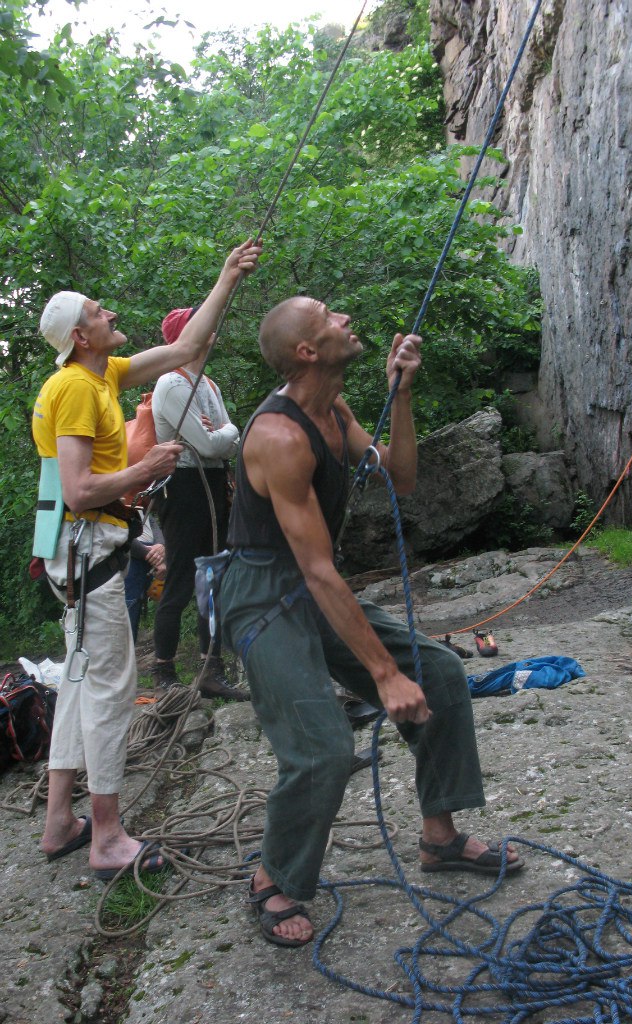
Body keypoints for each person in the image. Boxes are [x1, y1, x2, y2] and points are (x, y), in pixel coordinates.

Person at [219, 297, 523, 948]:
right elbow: (320, 571)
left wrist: (402, 393)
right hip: (262, 590)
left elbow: (402, 478)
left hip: (308, 580)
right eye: (328, 318)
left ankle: (439, 839)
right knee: (325, 747)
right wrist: (381, 675)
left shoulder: (335, 411)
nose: (346, 320)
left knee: (438, 672)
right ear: (307, 351)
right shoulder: (279, 436)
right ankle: (272, 878)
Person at [32, 238, 262, 878]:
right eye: (100, 313)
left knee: (80, 684)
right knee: (109, 689)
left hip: (79, 555)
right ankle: (107, 838)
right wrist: (147, 466)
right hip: (93, 552)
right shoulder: (76, 388)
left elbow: (187, 349)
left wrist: (227, 276)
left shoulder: (100, 376)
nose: (111, 317)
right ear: (81, 335)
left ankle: (60, 823)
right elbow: (78, 490)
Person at [150, 306, 246, 701]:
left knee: (212, 578)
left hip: (209, 481)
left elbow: (229, 436)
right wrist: (224, 434)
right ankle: (163, 673)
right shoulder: (172, 385)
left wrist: (225, 432)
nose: (211, 328)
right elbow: (210, 443)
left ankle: (211, 669)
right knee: (180, 581)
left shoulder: (208, 384)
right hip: (184, 486)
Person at [124, 511, 165, 643]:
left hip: (153, 556)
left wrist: (160, 546)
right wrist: (151, 555)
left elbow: (151, 522)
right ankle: (125, 659)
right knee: (129, 611)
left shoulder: (140, 498)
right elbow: (121, 533)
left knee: (160, 600)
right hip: (131, 559)